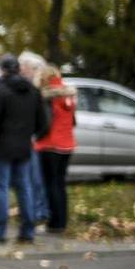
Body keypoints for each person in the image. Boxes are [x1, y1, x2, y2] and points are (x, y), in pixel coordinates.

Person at [0, 54, 49, 244]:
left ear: (2, 70)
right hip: (23, 147)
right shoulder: (33, 91)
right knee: (24, 188)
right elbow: (43, 124)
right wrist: (30, 136)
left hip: (0, 148)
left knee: (0, 189)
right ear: (18, 69)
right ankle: (27, 231)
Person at [35, 65, 76, 233]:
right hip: (67, 145)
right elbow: (73, 121)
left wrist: (37, 137)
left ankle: (54, 224)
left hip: (50, 145)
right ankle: (62, 221)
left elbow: (45, 122)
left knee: (51, 185)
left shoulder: (47, 96)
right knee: (60, 183)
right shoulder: (69, 95)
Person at [19, 51, 51, 224]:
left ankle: (40, 210)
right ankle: (35, 209)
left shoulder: (40, 90)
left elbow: (45, 120)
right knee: (31, 177)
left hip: (37, 141)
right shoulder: (32, 89)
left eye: (24, 67)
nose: (21, 70)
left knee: (36, 178)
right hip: (31, 139)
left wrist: (35, 136)